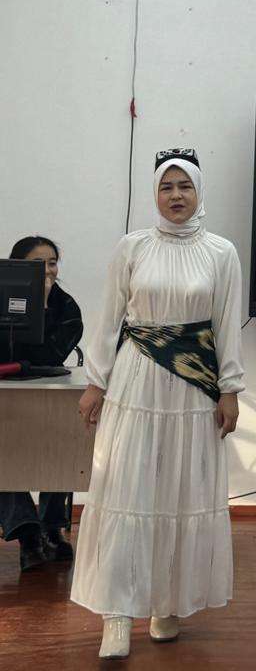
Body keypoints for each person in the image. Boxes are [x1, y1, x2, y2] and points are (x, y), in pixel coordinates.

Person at [70, 149, 245, 660]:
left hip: (194, 384)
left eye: (184, 186)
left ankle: (168, 602)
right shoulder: (133, 247)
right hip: (136, 380)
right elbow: (109, 319)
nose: (176, 195)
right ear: (155, 193)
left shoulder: (221, 252)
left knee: (180, 490)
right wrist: (96, 382)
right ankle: (116, 613)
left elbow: (227, 326)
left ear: (198, 191)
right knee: (126, 487)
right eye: (167, 187)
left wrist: (230, 389)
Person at [0, 235, 83, 570]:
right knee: (4, 456)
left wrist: (43, 305)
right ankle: (27, 533)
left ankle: (52, 528)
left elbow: (50, 354)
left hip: (50, 394)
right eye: (38, 264)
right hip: (7, 396)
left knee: (61, 448)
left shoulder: (67, 307)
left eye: (52, 263)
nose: (47, 271)